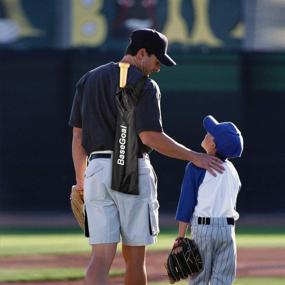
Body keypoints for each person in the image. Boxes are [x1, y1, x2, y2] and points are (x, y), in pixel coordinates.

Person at [69, 29, 224, 285]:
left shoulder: (89, 79)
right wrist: (194, 156)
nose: (158, 67)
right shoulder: (144, 83)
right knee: (134, 259)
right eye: (156, 60)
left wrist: (81, 182)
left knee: (100, 258)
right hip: (131, 169)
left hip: (96, 171)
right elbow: (150, 137)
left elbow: (78, 137)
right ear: (141, 54)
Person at [175, 115, 244, 285]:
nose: (206, 133)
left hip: (203, 230)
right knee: (223, 280)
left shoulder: (196, 166)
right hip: (227, 231)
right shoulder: (233, 172)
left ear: (213, 145)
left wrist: (180, 238)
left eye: (210, 133)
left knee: (199, 280)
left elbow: (186, 204)